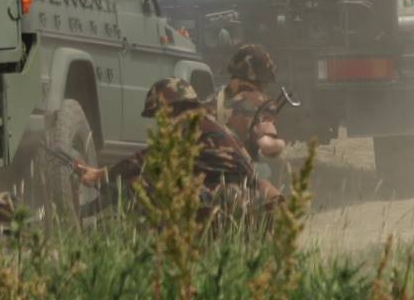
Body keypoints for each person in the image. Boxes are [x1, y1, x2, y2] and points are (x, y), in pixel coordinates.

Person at [74, 77, 277, 220]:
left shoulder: (191, 124)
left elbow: (146, 160)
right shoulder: (208, 122)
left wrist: (101, 175)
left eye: (159, 114)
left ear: (170, 108)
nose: (160, 121)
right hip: (243, 197)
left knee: (142, 187)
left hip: (231, 199)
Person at [217, 42, 288, 170]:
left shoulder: (216, 98)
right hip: (237, 173)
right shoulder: (262, 103)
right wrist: (282, 144)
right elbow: (268, 147)